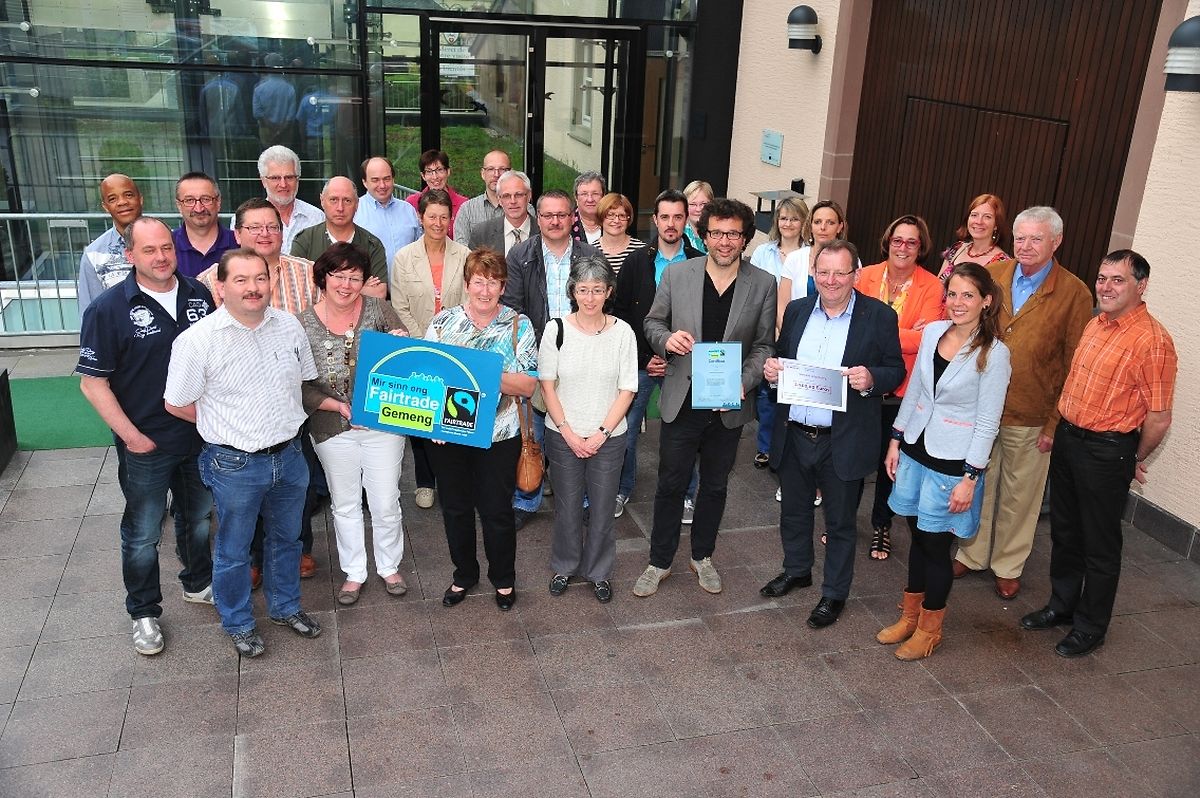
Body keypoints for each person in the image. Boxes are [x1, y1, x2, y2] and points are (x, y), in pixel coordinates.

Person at [165, 248, 323, 658]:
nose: (253, 287)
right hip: (234, 464)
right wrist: (222, 424)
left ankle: (285, 607)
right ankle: (237, 622)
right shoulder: (197, 340)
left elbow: (303, 381)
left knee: (288, 539)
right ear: (220, 287)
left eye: (260, 278)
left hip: (289, 456)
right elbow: (176, 403)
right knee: (234, 551)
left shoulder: (289, 326)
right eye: (241, 279)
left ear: (270, 283)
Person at [1021, 250, 1177, 658]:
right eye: (1102, 278)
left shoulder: (1153, 341)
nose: (1106, 287)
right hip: (1070, 439)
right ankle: (1062, 606)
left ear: (1141, 286)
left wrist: (1131, 458)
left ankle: (1091, 627)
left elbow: (1159, 418)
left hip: (1108, 450)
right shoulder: (1095, 324)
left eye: (1117, 280)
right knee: (1065, 532)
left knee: (1099, 545)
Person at [77, 217, 216, 656]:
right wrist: (132, 438)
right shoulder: (108, 309)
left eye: (166, 248)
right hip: (146, 442)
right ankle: (143, 613)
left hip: (198, 437)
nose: (161, 257)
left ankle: (198, 583)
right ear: (130, 255)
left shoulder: (199, 295)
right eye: (149, 250)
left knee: (197, 518)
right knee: (142, 533)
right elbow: (92, 384)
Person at [633, 198, 776, 598]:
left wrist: (742, 382)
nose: (724, 241)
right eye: (716, 233)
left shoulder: (763, 283)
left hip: (728, 404)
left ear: (745, 238)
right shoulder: (678, 274)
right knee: (670, 483)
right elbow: (652, 322)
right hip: (683, 398)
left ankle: (702, 556)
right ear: (704, 235)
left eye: (733, 234)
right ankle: (659, 561)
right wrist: (666, 340)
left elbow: (764, 345)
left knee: (714, 485)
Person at [759, 240, 904, 627]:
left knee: (840, 523)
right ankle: (797, 570)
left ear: (857, 274)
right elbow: (782, 357)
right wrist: (772, 371)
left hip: (843, 439)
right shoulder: (797, 310)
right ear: (813, 274)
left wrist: (871, 378)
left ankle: (835, 593)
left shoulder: (879, 316)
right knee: (793, 512)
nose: (831, 280)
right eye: (823, 272)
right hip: (795, 432)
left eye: (841, 272)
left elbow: (895, 370)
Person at [953, 206, 1092, 600]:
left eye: (1036, 238)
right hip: (981, 408)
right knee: (976, 482)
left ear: (1056, 242)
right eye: (1020, 237)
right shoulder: (994, 275)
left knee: (1021, 496)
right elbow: (968, 332)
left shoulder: (1074, 293)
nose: (1026, 246)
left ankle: (1008, 565)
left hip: (1032, 414)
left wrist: (1054, 423)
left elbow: (1075, 365)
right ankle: (972, 552)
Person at [878, 263, 1010, 659]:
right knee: (917, 536)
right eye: (952, 294)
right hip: (916, 447)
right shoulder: (934, 332)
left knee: (936, 546)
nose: (958, 302)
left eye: (968, 295)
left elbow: (988, 422)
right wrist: (896, 440)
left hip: (954, 461)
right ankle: (910, 616)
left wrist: (971, 477)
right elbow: (917, 391)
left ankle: (930, 629)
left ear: (986, 301)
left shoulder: (995, 353)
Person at [197, 198, 322, 583]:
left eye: (272, 227)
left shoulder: (308, 273)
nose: (265, 234)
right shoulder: (210, 281)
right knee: (243, 494)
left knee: (295, 482)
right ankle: (252, 559)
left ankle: (299, 548)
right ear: (238, 234)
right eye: (254, 227)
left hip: (291, 399)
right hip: (238, 412)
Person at [425, 248, 538, 612]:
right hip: (448, 435)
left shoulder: (519, 325)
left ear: (503, 287)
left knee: (496, 511)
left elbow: (528, 385)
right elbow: (428, 380)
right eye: (478, 282)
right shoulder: (443, 323)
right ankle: (464, 574)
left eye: (493, 283)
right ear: (466, 284)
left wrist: (477, 372)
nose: (485, 291)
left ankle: (503, 579)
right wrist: (433, 422)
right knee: (455, 508)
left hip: (499, 435)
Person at [300, 243, 410, 605]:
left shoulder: (379, 310)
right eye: (338, 276)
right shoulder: (301, 324)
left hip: (383, 425)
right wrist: (337, 406)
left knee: (385, 500)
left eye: (355, 277)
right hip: (330, 427)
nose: (346, 285)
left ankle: (389, 566)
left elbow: (408, 364)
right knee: (344, 502)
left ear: (365, 281)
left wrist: (403, 344)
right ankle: (354, 572)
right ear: (323, 277)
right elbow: (298, 384)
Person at [501, 189, 602, 528]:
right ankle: (526, 499)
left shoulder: (590, 255)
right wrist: (531, 353)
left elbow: (602, 305)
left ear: (573, 217)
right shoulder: (521, 254)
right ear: (538, 218)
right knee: (532, 434)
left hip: (581, 357)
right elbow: (513, 308)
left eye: (562, 215)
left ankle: (581, 500)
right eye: (547, 215)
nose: (555, 221)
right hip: (536, 357)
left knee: (578, 429)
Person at [540, 255, 637, 603]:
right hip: (562, 434)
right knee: (566, 508)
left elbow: (628, 389)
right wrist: (567, 432)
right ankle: (564, 566)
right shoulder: (556, 329)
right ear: (572, 291)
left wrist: (601, 434)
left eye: (597, 289)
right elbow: (547, 385)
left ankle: (599, 572)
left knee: (602, 509)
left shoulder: (623, 332)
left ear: (609, 291)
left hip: (608, 437)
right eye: (583, 289)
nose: (590, 297)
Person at [854, 215, 945, 560]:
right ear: (887, 242)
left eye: (911, 242)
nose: (903, 247)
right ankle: (842, 520)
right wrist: (906, 334)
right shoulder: (865, 276)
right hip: (861, 383)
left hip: (902, 391)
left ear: (921, 248)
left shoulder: (932, 286)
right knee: (851, 455)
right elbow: (852, 327)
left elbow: (927, 339)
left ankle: (882, 525)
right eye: (897, 240)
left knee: (889, 464)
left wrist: (877, 332)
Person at [611, 189, 702, 520]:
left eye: (678, 217)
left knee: (684, 435)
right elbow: (621, 315)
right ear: (655, 220)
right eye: (665, 217)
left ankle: (687, 495)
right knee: (625, 432)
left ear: (686, 220)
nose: (671, 223)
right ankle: (621, 489)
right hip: (642, 361)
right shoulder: (637, 262)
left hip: (685, 364)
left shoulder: (699, 262)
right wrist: (644, 357)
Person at [389, 189, 470, 510]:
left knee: (453, 412)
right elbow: (399, 305)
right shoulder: (403, 257)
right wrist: (424, 341)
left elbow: (468, 304)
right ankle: (425, 481)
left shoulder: (464, 255)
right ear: (420, 217)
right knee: (421, 414)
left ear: (451, 219)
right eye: (431, 216)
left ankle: (454, 479)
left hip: (455, 346)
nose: (438, 223)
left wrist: (446, 341)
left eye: (443, 216)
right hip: (417, 344)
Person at [750, 197, 810, 469]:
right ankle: (765, 446)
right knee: (767, 393)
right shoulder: (763, 252)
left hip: (796, 331)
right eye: (783, 218)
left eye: (794, 218)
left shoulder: (810, 254)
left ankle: (788, 447)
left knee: (793, 391)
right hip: (764, 330)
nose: (788, 223)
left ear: (803, 222)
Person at [290, 176, 388, 298]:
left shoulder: (372, 244)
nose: (340, 208)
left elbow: (379, 293)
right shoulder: (305, 241)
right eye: (333, 200)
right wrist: (360, 287)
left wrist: (321, 285)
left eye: (347, 201)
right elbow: (296, 290)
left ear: (357, 204)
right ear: (322, 200)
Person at [778, 199, 850, 331]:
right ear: (810, 226)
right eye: (817, 222)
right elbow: (782, 307)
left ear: (840, 227)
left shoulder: (851, 261)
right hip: (796, 332)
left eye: (830, 222)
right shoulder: (794, 259)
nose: (823, 227)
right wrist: (790, 336)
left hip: (837, 333)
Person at [77, 173, 143, 315]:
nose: (122, 202)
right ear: (105, 206)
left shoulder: (168, 241)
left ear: (140, 198)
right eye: (113, 199)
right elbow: (90, 312)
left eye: (128, 195)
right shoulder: (93, 255)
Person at [353, 156, 423, 268]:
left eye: (386, 179)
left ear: (393, 179)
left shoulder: (408, 210)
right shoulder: (354, 212)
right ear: (364, 182)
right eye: (375, 180)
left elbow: (420, 249)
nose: (382, 185)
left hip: (407, 279)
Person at [258, 145, 323, 255]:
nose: (283, 184)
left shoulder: (317, 217)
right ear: (263, 181)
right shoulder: (247, 220)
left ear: (298, 179)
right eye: (275, 178)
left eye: (289, 177)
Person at [172, 172, 238, 279]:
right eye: (189, 200)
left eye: (206, 199)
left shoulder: (239, 244)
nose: (199, 209)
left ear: (218, 202)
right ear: (179, 206)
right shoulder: (166, 248)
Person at [937, 194, 1011, 282]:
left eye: (987, 217)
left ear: (996, 225)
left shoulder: (1003, 263)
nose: (979, 221)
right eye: (974, 215)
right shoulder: (957, 249)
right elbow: (937, 286)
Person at [453, 149, 511, 246]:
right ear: (483, 174)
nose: (496, 174)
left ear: (510, 173)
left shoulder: (523, 209)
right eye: (491, 169)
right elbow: (461, 249)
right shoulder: (467, 209)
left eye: (502, 169)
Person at [405, 149, 468, 237]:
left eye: (439, 170)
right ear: (423, 176)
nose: (435, 177)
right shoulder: (411, 203)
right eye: (429, 171)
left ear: (448, 171)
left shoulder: (463, 205)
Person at [468, 170, 533, 255]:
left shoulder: (543, 231)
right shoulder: (482, 233)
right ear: (499, 199)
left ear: (529, 196)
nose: (513, 201)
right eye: (506, 196)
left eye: (518, 195)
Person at [595, 192, 645, 276]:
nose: (616, 221)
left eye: (622, 215)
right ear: (601, 216)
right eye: (611, 215)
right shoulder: (590, 251)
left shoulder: (642, 250)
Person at [252, 60, 296, 149]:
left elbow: (257, 113)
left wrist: (271, 128)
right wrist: (279, 131)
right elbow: (290, 116)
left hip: (266, 133)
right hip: (285, 134)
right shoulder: (290, 89)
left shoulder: (259, 89)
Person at [570, 171, 607, 245]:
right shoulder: (567, 223)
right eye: (584, 194)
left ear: (603, 196)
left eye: (595, 194)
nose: (590, 200)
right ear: (576, 198)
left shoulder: (614, 222)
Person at [681, 180, 713, 255]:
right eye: (693, 204)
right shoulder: (678, 235)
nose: (698, 209)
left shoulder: (720, 233)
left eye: (703, 204)